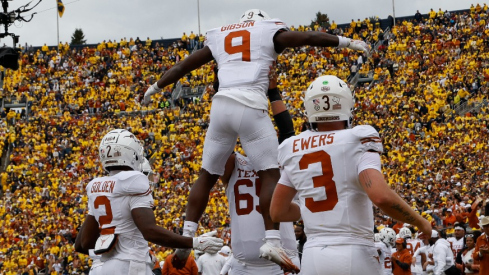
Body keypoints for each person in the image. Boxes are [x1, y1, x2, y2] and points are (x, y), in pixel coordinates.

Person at [142, 9, 369, 267]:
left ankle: (187, 236)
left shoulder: (221, 36)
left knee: (206, 175)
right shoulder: (267, 31)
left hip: (220, 106)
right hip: (251, 104)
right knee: (270, 174)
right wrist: (346, 42)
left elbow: (184, 66)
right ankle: (272, 238)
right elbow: (306, 37)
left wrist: (155, 87)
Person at [269, 75, 432, 275]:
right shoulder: (358, 138)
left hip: (313, 255)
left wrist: (313, 208)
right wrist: (420, 221)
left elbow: (277, 212)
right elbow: (380, 196)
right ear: (347, 104)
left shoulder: (292, 146)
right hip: (355, 252)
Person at [74, 129, 223, 275]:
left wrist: (113, 242)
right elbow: (149, 230)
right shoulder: (134, 179)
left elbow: (83, 244)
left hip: (104, 267)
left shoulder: (96, 186)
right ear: (130, 153)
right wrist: (195, 242)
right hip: (131, 265)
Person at [217, 65, 300, 274]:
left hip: (283, 259)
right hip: (244, 264)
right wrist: (221, 91)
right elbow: (222, 135)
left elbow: (288, 131)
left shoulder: (282, 159)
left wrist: (273, 92)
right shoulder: (235, 163)